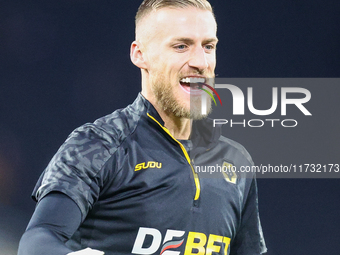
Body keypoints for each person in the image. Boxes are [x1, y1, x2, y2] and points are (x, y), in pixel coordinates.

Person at [18, 0, 267, 254]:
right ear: (140, 54)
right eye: (181, 46)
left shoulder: (235, 161)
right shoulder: (98, 145)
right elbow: (38, 240)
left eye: (208, 46)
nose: (200, 62)